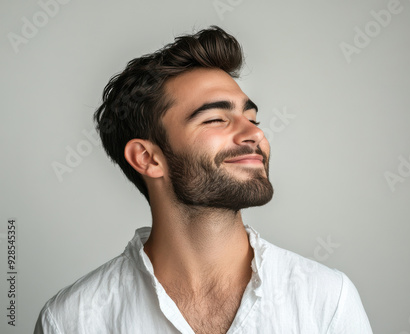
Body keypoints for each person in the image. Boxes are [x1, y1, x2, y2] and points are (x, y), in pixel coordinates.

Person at [34, 26, 373, 334]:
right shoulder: (71, 321)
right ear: (148, 158)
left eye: (252, 118)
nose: (254, 133)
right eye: (215, 119)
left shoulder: (327, 299)